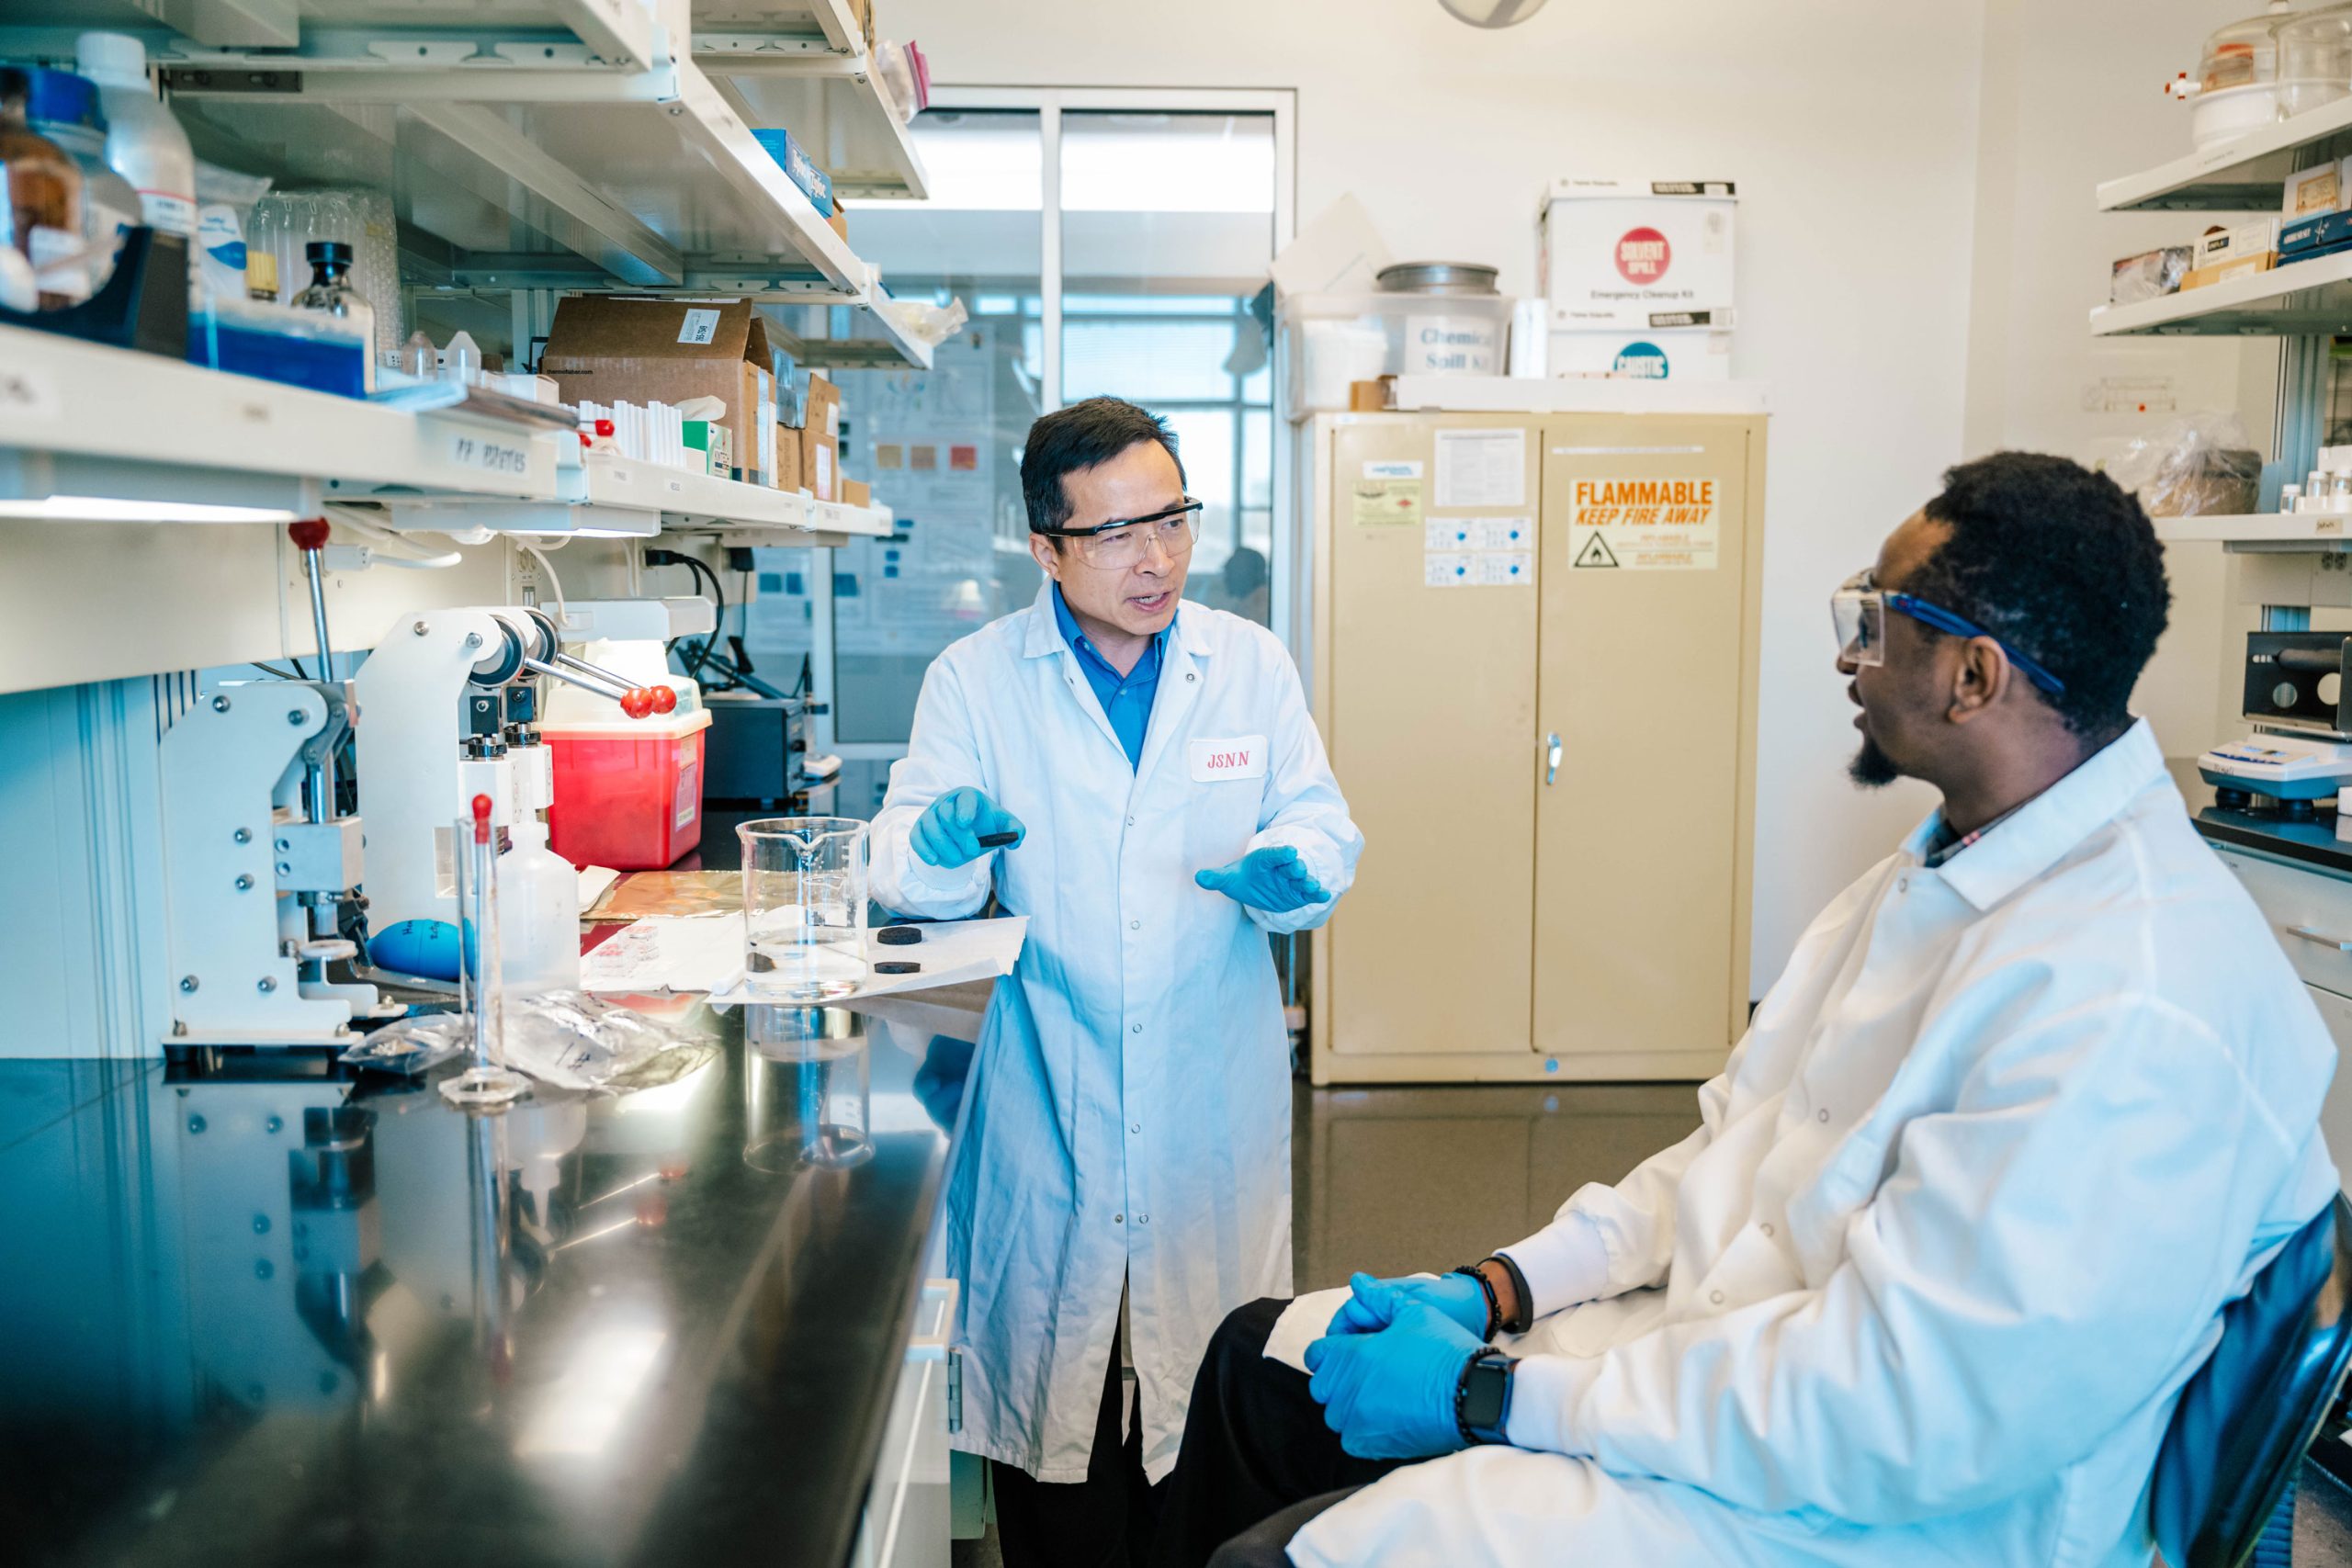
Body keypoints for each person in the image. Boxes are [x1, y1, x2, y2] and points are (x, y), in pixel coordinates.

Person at [1148, 451, 2341, 1568]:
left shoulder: (2133, 993)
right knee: (1258, 1361)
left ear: (1973, 675)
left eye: (1872, 624)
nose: (1846, 659)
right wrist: (1495, 1286)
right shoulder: (1941, 869)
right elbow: (1728, 1150)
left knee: (1288, 1557)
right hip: (1726, 1360)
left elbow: (1900, 1407)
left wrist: (1484, 1391)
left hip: (1881, 1503)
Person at [869, 396, 1363, 1568]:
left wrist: (1296, 872)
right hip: (1051, 1092)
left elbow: (1319, 822)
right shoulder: (976, 679)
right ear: (1045, 548)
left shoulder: (1246, 665)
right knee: (1066, 1433)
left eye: (1174, 521)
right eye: (1114, 534)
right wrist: (938, 853)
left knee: (1210, 1432)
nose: (1157, 560)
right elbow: (902, 863)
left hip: (1209, 1096)